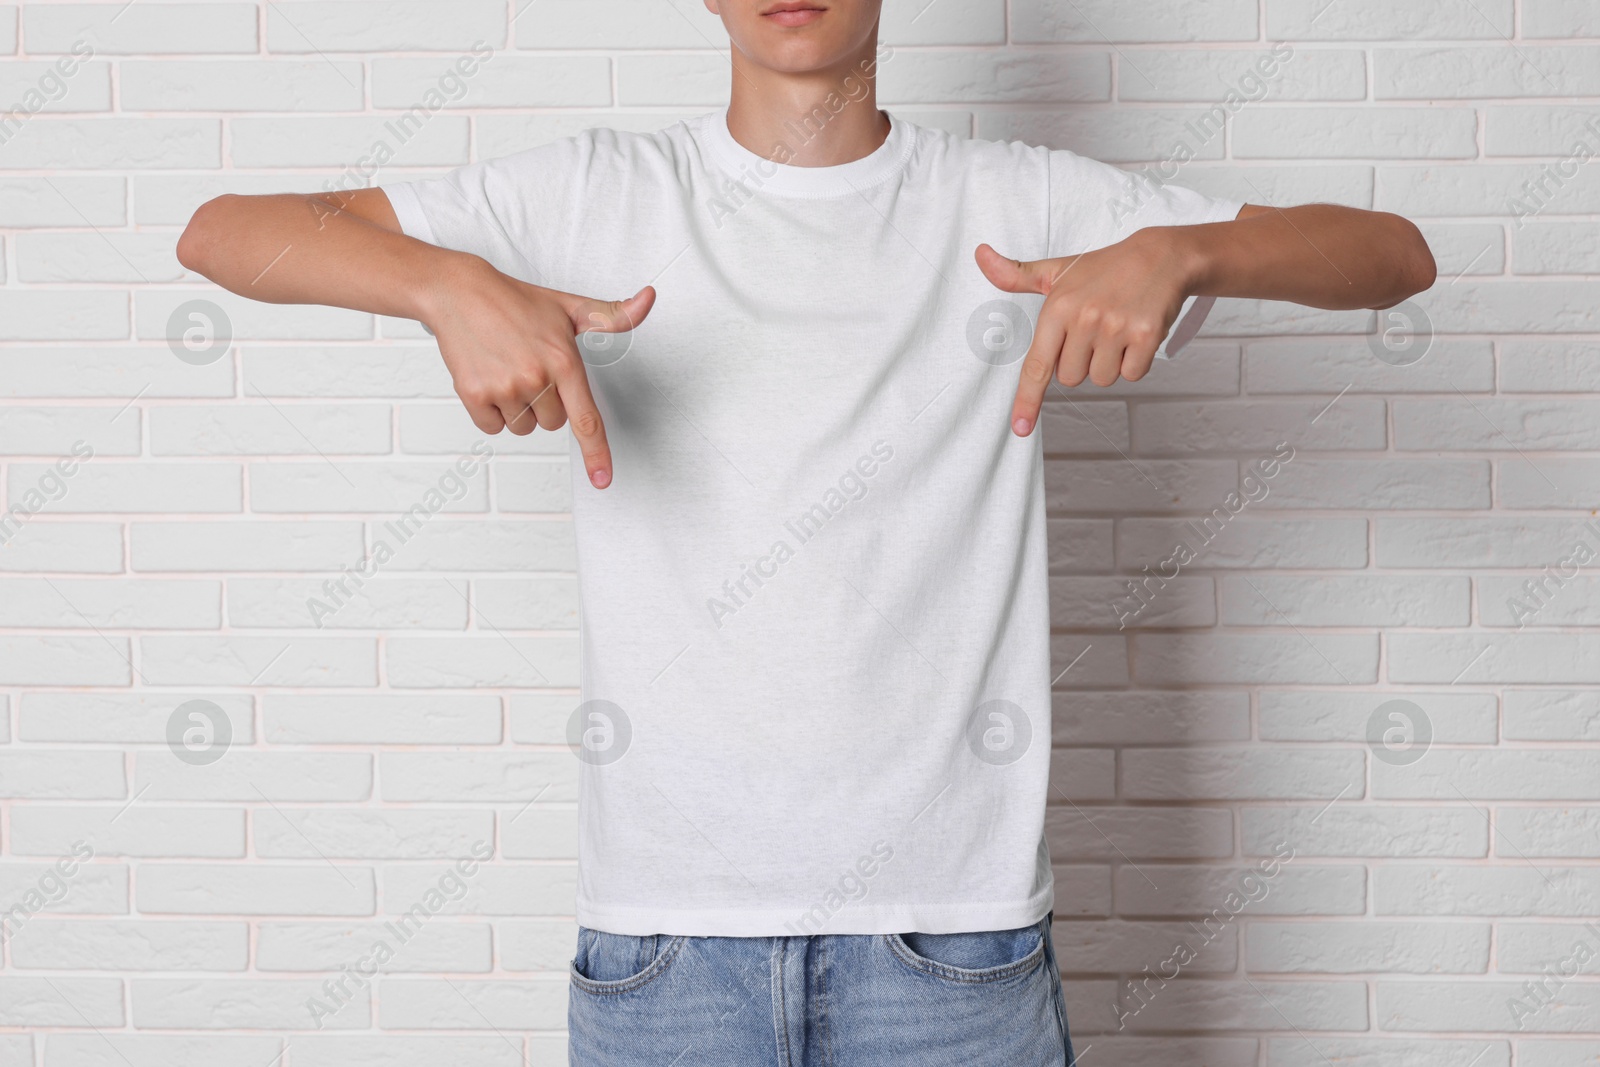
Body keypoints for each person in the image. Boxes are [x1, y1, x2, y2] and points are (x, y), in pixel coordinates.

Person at [177, 1, 1436, 1062]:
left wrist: (1184, 251)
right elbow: (224, 230)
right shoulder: (592, 193)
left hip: (956, 952)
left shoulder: (1017, 197)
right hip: (661, 958)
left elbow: (1392, 256)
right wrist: (445, 283)